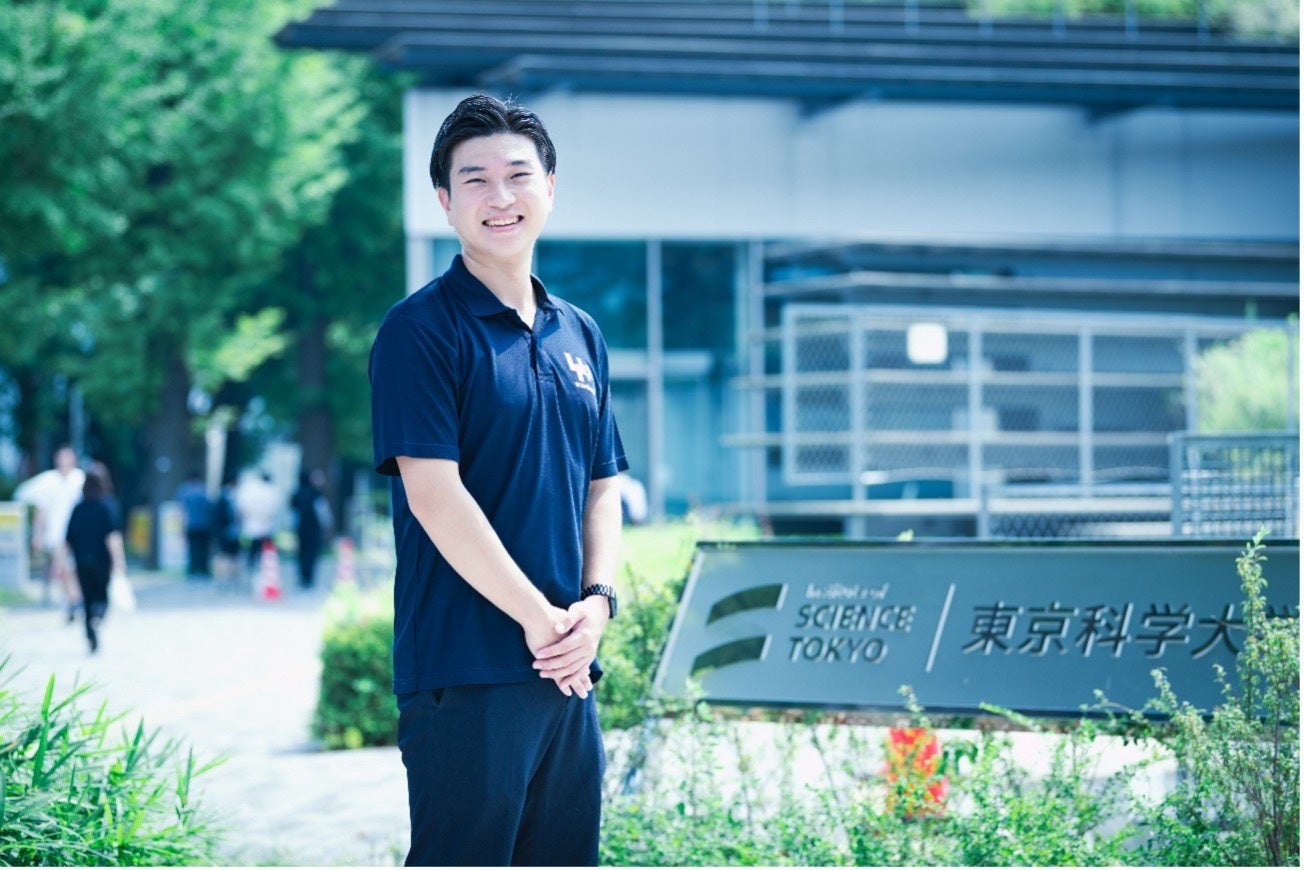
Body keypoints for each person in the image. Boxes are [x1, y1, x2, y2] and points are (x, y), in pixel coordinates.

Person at [369, 93, 627, 867]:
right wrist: (538, 619)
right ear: (444, 202)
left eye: (518, 175)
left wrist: (596, 605)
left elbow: (602, 485)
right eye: (474, 179)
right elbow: (433, 494)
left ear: (550, 187)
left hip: (567, 671)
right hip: (466, 670)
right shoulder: (420, 330)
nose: (500, 196)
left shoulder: (579, 333)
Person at [14, 444, 86, 621]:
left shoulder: (80, 479)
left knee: (73, 568)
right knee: (64, 567)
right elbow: (42, 511)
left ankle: (75, 599)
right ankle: (74, 599)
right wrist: (37, 535)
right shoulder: (48, 481)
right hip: (57, 533)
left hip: (78, 532)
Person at [64, 471, 126, 653]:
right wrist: (118, 559)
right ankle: (98, 616)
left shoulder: (77, 509)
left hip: (81, 560)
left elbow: (68, 538)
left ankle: (90, 636)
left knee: (87, 598)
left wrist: (63, 561)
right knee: (101, 594)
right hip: (101, 560)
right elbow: (112, 536)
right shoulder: (106, 507)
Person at [234, 470, 280, 574]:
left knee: (254, 545)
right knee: (265, 546)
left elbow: (244, 505)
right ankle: (264, 564)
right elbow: (275, 508)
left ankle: (251, 563)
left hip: (253, 521)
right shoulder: (272, 491)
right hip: (266, 522)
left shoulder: (252, 490)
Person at [290, 468, 330, 589]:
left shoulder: (296, 494)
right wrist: (326, 525)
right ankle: (309, 578)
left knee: (302, 551)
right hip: (314, 528)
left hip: (301, 527)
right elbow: (322, 512)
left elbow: (292, 512)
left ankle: (302, 576)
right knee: (312, 552)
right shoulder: (315, 493)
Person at [174, 470, 214, 579]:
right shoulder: (204, 489)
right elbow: (211, 506)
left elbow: (181, 509)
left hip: (191, 524)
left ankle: (192, 570)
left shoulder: (184, 490)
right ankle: (204, 570)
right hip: (205, 524)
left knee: (192, 548)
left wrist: (181, 526)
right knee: (204, 548)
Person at [211, 476, 242, 586]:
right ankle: (227, 575)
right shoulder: (228, 497)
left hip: (228, 530)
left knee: (227, 553)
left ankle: (228, 575)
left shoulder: (224, 497)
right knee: (228, 554)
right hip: (228, 530)